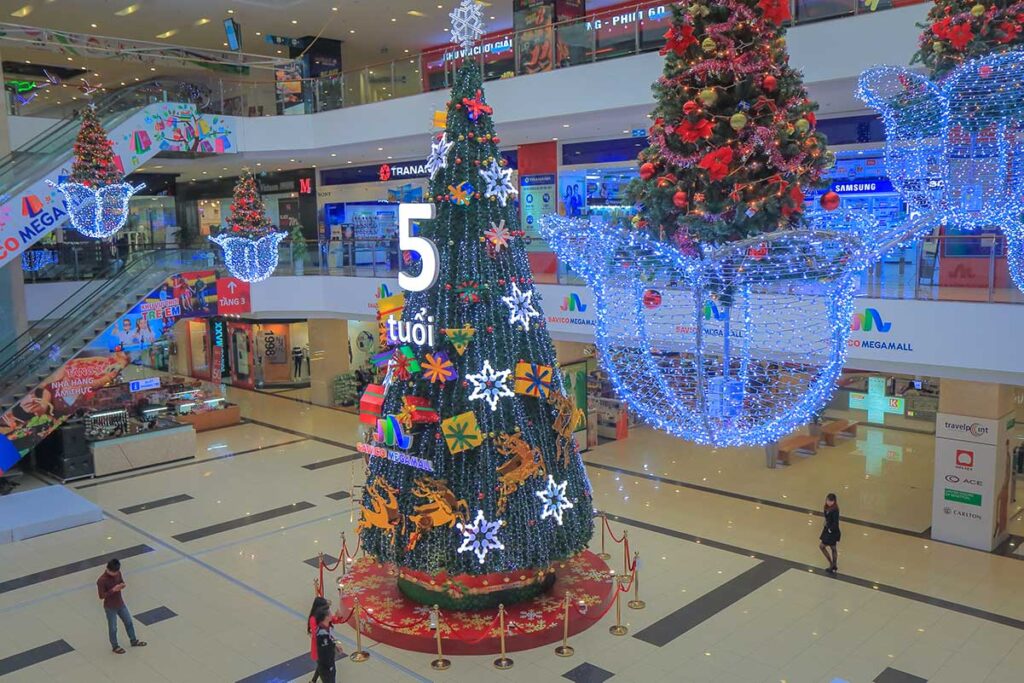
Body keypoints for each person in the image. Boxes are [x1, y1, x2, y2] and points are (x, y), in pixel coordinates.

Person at [97, 558, 147, 654]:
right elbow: (101, 596)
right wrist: (113, 590)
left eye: (116, 572)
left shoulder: (118, 573)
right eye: (113, 572)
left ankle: (133, 640)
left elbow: (121, 581)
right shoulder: (101, 580)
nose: (115, 574)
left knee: (129, 622)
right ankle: (115, 646)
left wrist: (122, 585)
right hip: (110, 607)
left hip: (120, 603)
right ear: (108, 569)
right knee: (113, 627)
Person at [313, 605, 343, 683]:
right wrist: (330, 666)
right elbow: (324, 653)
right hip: (326, 666)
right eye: (330, 613)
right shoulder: (322, 634)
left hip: (327, 663)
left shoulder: (326, 626)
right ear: (326, 617)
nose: (332, 614)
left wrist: (335, 644)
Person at [819, 493, 841, 574]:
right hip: (827, 529)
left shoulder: (835, 510)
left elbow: (836, 523)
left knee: (823, 546)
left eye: (830, 501)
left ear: (834, 501)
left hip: (832, 531)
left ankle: (832, 564)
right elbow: (826, 517)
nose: (828, 502)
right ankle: (833, 564)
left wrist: (830, 530)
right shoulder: (826, 507)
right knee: (833, 548)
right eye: (827, 500)